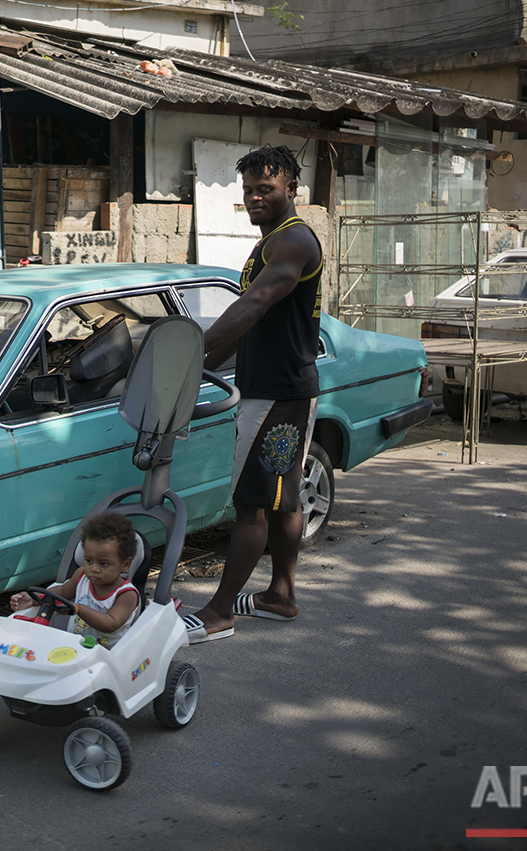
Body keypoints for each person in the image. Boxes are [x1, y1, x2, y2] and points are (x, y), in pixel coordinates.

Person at [182, 144, 322, 644]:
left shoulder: (292, 242)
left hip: (276, 394)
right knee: (283, 500)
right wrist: (205, 367)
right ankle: (280, 595)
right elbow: (249, 324)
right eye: (248, 190)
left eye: (266, 187)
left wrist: (189, 355)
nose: (255, 197)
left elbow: (257, 303)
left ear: (292, 189)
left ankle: (219, 612)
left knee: (252, 504)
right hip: (285, 388)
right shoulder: (271, 244)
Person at [10, 511, 142, 648]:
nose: (94, 569)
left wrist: (80, 609)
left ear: (125, 565)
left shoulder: (127, 594)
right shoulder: (82, 576)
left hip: (107, 655)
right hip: (73, 647)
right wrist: (33, 599)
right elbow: (62, 591)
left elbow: (111, 623)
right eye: (89, 561)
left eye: (104, 564)